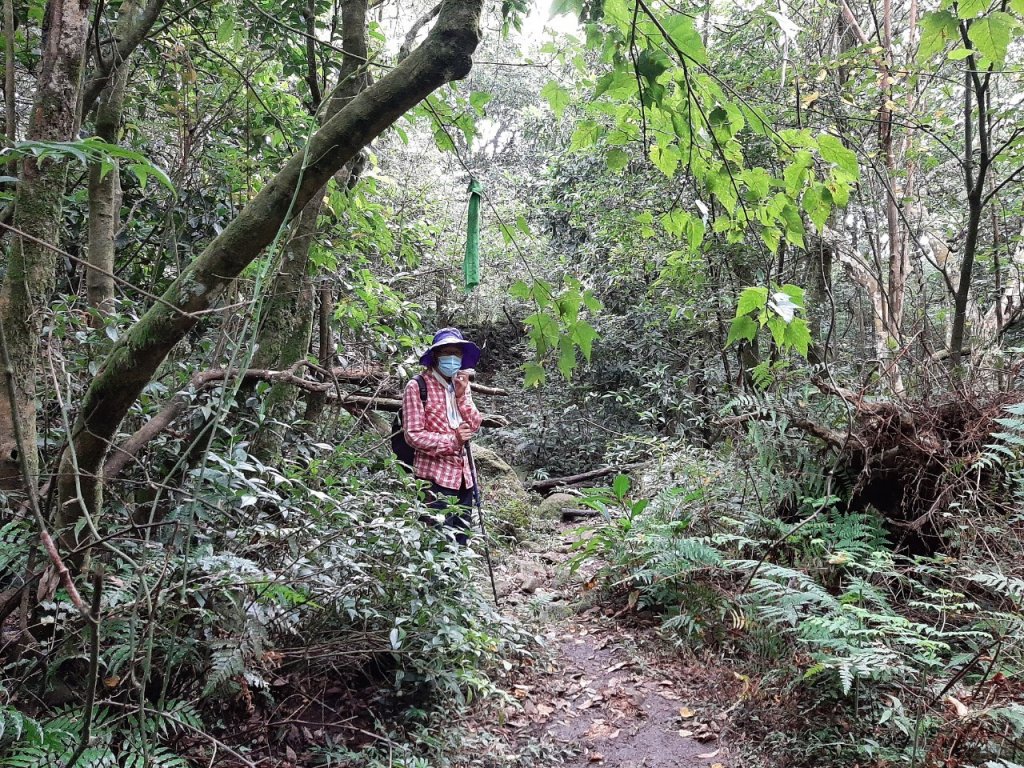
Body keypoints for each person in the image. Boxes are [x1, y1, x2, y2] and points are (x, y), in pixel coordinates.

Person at [402, 327, 483, 544]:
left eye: (457, 354)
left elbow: (475, 423)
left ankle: (460, 578)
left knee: (461, 539)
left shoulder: (460, 384)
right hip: (434, 479)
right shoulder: (417, 386)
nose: (453, 359)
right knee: (437, 541)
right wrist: (453, 440)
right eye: (447, 353)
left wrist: (460, 396)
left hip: (463, 478)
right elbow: (413, 435)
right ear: (435, 356)